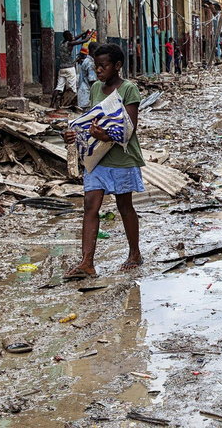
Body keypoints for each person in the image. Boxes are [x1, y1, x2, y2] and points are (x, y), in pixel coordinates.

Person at [63, 43, 146, 278]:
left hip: (121, 158)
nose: (98, 70)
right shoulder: (96, 88)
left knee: (124, 206)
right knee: (90, 205)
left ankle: (134, 253)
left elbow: (129, 128)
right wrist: (73, 132)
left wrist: (107, 134)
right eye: (96, 66)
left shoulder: (129, 90)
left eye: (103, 66)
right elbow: (91, 120)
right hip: (97, 157)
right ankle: (87, 263)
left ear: (117, 66)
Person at [53, 30, 92, 108]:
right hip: (70, 68)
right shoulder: (70, 43)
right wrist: (90, 35)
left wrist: (84, 33)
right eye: (71, 35)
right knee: (73, 88)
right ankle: (72, 105)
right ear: (68, 37)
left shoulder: (62, 43)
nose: (72, 36)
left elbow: (75, 38)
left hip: (62, 69)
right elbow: (85, 40)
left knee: (59, 87)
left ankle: (52, 104)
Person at [76, 43, 97, 108]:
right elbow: (92, 81)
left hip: (83, 92)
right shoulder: (90, 63)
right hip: (87, 94)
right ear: (93, 50)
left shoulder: (86, 60)